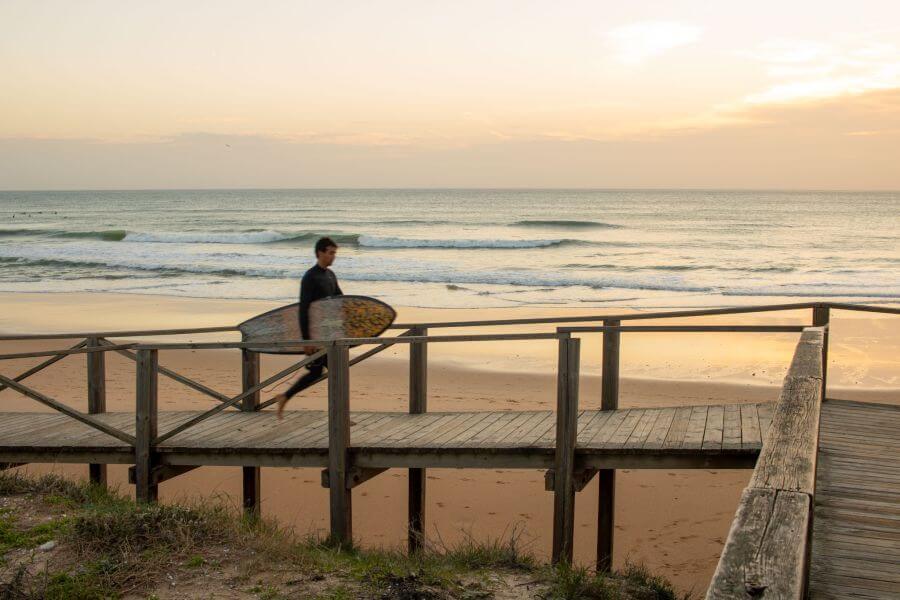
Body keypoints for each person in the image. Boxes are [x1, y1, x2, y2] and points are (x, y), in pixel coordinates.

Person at [271, 237, 342, 419]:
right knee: (334, 373)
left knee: (323, 372)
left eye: (335, 253)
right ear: (320, 253)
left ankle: (285, 397)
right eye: (331, 252)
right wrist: (307, 340)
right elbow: (303, 309)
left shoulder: (330, 275)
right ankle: (339, 416)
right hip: (316, 336)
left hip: (328, 334)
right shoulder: (310, 277)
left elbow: (340, 301)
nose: (333, 256)